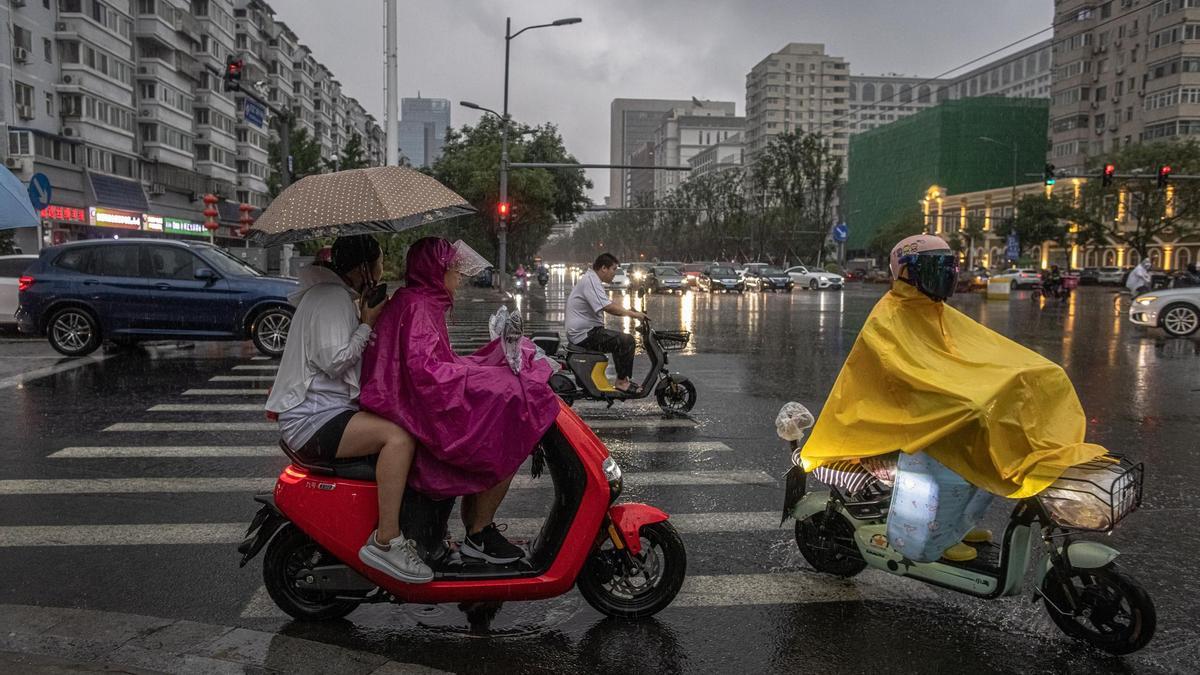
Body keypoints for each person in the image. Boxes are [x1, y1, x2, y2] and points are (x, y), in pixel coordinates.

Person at [799, 234, 1107, 563]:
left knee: (993, 440)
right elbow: (908, 379)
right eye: (933, 268)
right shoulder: (889, 320)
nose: (944, 275)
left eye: (949, 267)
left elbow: (977, 357)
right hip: (896, 428)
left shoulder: (937, 313)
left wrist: (1030, 376)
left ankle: (956, 526)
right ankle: (930, 538)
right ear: (905, 272)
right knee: (956, 452)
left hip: (930, 420)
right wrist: (966, 401)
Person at [359, 237, 559, 564]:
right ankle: (479, 533)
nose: (459, 276)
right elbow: (427, 375)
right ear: (435, 271)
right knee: (508, 423)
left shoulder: (420, 300)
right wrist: (485, 378)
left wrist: (491, 363)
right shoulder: (419, 306)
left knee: (503, 392)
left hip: (413, 403)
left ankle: (479, 529)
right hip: (418, 409)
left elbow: (437, 362)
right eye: (453, 269)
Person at [266, 235, 432, 584]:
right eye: (380, 260)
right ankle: (387, 540)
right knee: (398, 439)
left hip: (325, 411)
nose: (382, 267)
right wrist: (367, 322)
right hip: (313, 419)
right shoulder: (330, 298)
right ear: (364, 269)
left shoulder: (335, 296)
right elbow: (334, 360)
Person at [565, 253, 649, 394]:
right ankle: (622, 382)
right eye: (613, 269)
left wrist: (628, 310)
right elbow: (607, 306)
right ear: (603, 268)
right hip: (584, 335)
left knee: (620, 340)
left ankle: (622, 380)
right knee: (626, 341)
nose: (614, 274)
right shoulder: (591, 280)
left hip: (587, 332)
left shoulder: (592, 280)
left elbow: (608, 303)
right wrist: (634, 315)